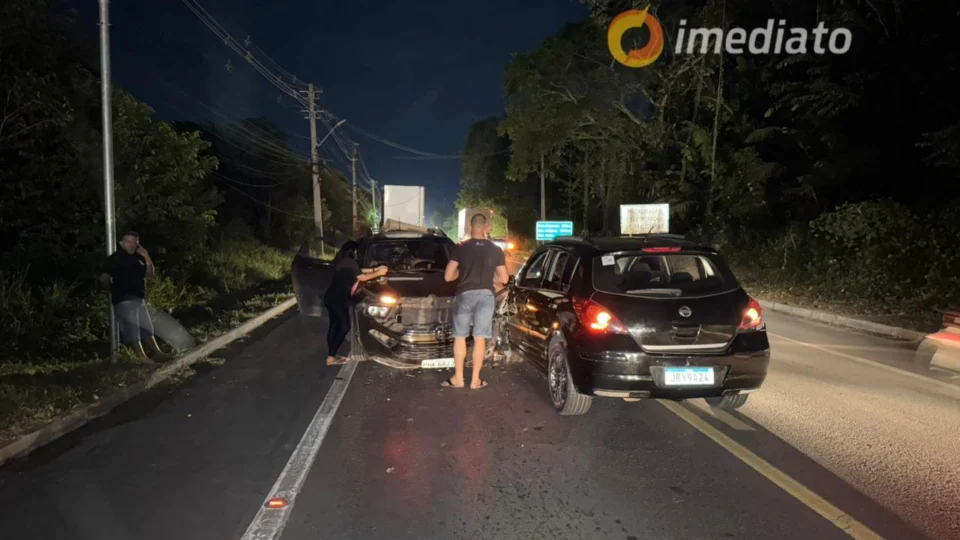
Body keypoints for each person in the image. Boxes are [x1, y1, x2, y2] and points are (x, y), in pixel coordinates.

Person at [442, 213, 509, 389]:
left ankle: (458, 379)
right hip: (486, 297)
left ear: (470, 227)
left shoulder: (460, 248)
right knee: (480, 339)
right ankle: (475, 380)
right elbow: (504, 279)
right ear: (487, 228)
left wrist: (461, 273)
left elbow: (448, 276)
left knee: (460, 337)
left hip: (464, 295)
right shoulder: (495, 249)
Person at [99, 231, 173, 365]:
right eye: (128, 242)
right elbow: (104, 278)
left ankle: (158, 353)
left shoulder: (139, 258)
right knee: (132, 330)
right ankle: (144, 359)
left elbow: (150, 275)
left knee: (146, 328)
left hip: (139, 298)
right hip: (124, 298)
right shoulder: (115, 258)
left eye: (134, 242)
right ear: (121, 243)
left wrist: (147, 257)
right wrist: (111, 291)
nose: (131, 244)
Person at [324, 240, 388, 365]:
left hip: (332, 297)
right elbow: (362, 277)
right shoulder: (349, 261)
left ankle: (331, 355)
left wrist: (375, 269)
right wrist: (378, 273)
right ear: (353, 251)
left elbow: (358, 270)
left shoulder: (343, 260)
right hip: (338, 299)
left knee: (334, 326)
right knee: (344, 326)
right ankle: (331, 357)